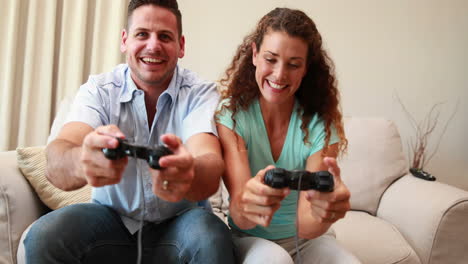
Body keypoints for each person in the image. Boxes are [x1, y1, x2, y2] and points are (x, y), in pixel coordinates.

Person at [24, 0, 235, 263]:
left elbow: (210, 163)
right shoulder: (98, 90)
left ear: (181, 46)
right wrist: (82, 162)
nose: (153, 45)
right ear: (125, 40)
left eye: (165, 36)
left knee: (211, 236)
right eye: (142, 34)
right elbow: (58, 158)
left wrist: (189, 171)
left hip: (181, 224)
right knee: (44, 235)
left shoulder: (200, 93)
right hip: (110, 222)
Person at [216, 7, 361, 263]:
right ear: (254, 55)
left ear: (306, 69)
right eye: (271, 59)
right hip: (250, 237)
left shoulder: (321, 124)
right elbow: (240, 216)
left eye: (293, 65)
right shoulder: (232, 116)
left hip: (308, 240)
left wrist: (324, 211)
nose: (280, 74)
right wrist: (250, 201)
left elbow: (306, 225)